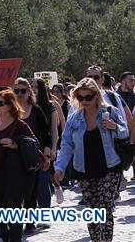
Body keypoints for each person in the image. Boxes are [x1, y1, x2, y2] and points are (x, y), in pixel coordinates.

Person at [55, 77, 129, 241]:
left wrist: (114, 126)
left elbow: (125, 132)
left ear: (96, 96)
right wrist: (60, 168)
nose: (84, 101)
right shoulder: (74, 118)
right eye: (80, 97)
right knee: (92, 211)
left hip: (110, 167)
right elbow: (67, 144)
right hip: (84, 170)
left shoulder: (109, 111)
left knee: (105, 207)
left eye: (88, 97)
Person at [0, 87, 36, 242]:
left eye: (0, 103)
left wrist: (16, 143)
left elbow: (34, 144)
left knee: (13, 212)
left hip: (15, 175)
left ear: (10, 105)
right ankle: (6, 238)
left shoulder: (20, 125)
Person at [13, 77, 54, 234]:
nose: (20, 94)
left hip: (33, 156)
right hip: (13, 157)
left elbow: (45, 134)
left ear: (29, 92)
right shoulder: (8, 110)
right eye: (16, 91)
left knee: (31, 191)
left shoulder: (36, 111)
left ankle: (30, 222)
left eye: (23, 90)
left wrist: (47, 152)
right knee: (14, 191)